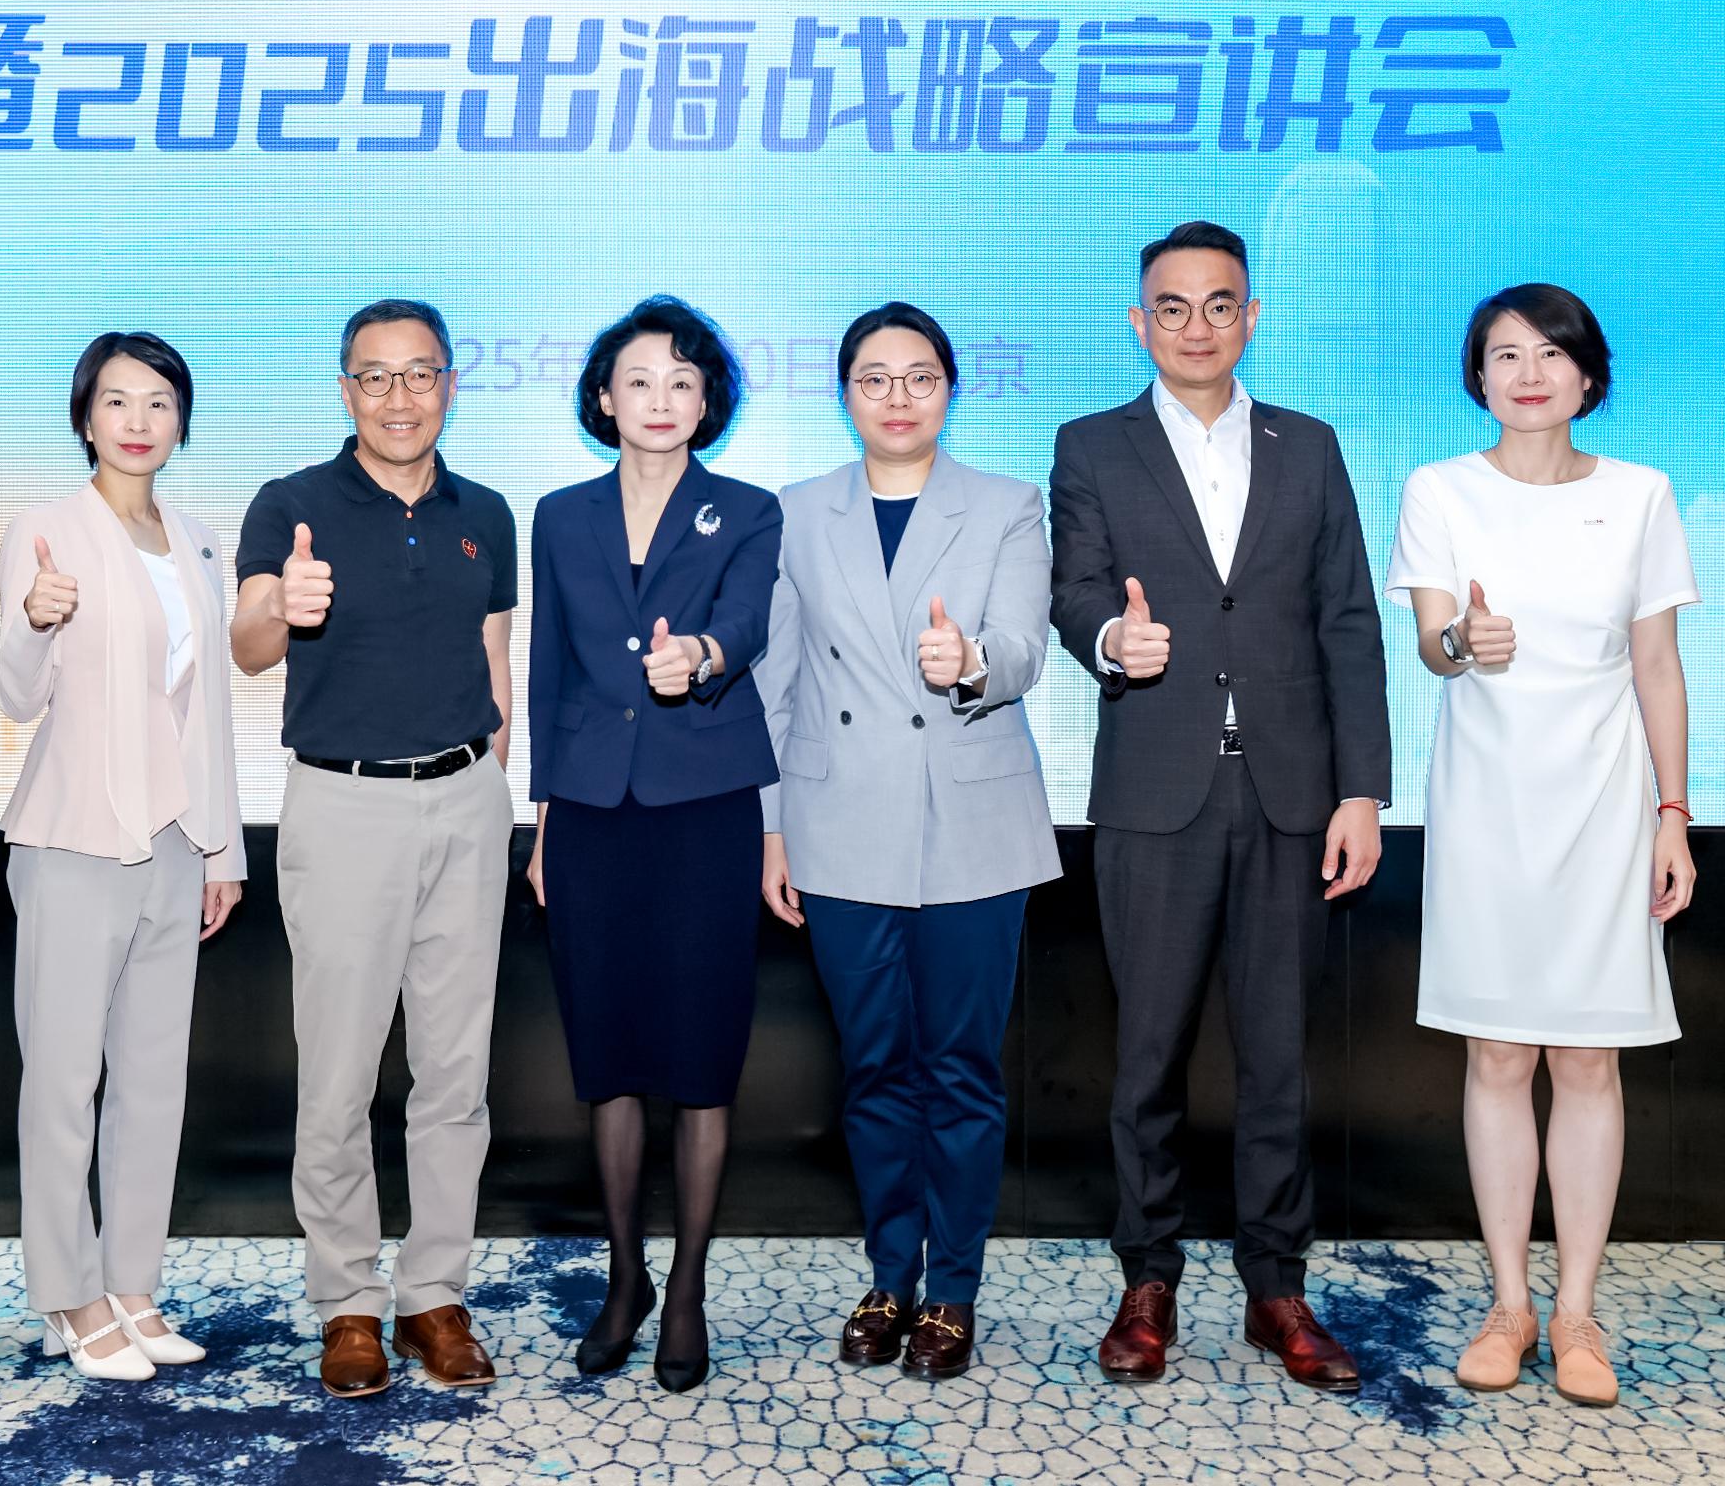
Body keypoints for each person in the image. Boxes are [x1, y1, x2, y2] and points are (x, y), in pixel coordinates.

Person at [1049, 219, 1390, 1393]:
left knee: (1277, 1061)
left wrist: (1360, 789)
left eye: (1218, 303)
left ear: (1252, 317)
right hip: (1155, 790)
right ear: (1137, 322)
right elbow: (1073, 588)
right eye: (1172, 305)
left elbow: (1348, 620)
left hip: (1291, 795)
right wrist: (1112, 637)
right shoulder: (1090, 444)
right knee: (1146, 1055)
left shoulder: (1310, 445)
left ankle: (1275, 1288)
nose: (1196, 325)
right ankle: (1146, 1281)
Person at [1387, 284, 1698, 1410]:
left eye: (1550, 353)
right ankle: (1508, 1304)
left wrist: (1673, 814)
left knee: (1588, 1060)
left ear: (1587, 374)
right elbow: (1430, 643)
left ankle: (1576, 1313)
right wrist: (1462, 639)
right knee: (1497, 1057)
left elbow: (1655, 665)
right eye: (1504, 354)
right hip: (1486, 808)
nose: (1528, 373)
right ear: (1476, 377)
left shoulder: (1639, 494)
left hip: (1604, 807)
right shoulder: (1439, 489)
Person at [755, 302, 1060, 1381]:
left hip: (972, 819)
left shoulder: (1007, 504)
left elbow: (1024, 647)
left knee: (962, 1070)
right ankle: (890, 1275)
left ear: (949, 389)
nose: (897, 397)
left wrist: (968, 661)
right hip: (838, 820)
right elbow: (776, 681)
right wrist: (771, 824)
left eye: (919, 376)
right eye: (874, 379)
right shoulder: (796, 513)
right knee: (875, 1065)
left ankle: (954, 1290)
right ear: (845, 394)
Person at [229, 299, 519, 1401]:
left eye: (420, 374)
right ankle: (346, 1300)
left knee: (454, 1074)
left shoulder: (486, 512)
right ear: (346, 389)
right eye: (376, 376)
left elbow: (495, 666)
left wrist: (496, 788)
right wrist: (284, 604)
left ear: (449, 384)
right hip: (343, 805)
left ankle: (434, 1294)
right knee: (340, 1074)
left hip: (466, 802)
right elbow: (247, 645)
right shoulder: (291, 503)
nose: (400, 397)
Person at [525, 296, 784, 1392]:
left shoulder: (749, 510)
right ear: (604, 397)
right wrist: (544, 820)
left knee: (700, 1056)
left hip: (704, 806)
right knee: (611, 1053)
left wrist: (702, 658)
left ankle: (685, 1293)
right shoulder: (560, 515)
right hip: (590, 814)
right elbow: (548, 672)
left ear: (706, 398)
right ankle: (624, 1278)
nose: (661, 399)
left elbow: (747, 623)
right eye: (639, 381)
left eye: (682, 381)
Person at [0, 332, 247, 1382]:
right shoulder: (45, 530)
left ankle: (131, 1283)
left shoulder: (198, 540)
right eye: (116, 401)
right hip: (74, 839)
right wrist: (34, 621)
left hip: (177, 842)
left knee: (152, 1082)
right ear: (85, 417)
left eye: (158, 402)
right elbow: (16, 694)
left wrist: (223, 844)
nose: (138, 421)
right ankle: (70, 1293)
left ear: (180, 420)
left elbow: (209, 708)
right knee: (63, 1083)